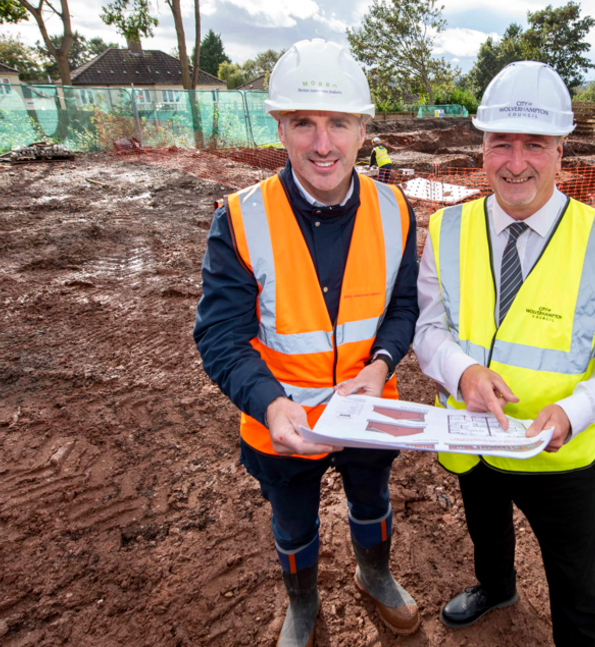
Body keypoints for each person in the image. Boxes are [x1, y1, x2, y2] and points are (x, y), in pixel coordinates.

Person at [413, 61, 595, 647]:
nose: (516, 161)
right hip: (471, 435)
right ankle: (497, 587)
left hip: (556, 449)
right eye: (501, 143)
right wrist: (462, 371)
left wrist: (575, 411)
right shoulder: (447, 230)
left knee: (573, 576)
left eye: (535, 144)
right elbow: (428, 329)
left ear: (559, 152)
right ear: (482, 149)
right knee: (486, 529)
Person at [193, 39, 421, 647]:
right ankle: (303, 603)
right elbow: (219, 335)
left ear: (363, 128)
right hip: (282, 422)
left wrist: (382, 364)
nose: (323, 144)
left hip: (370, 411)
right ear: (281, 128)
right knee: (292, 522)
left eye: (339, 123)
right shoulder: (240, 218)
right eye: (304, 124)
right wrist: (270, 403)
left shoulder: (396, 209)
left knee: (371, 501)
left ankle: (375, 576)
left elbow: (403, 309)